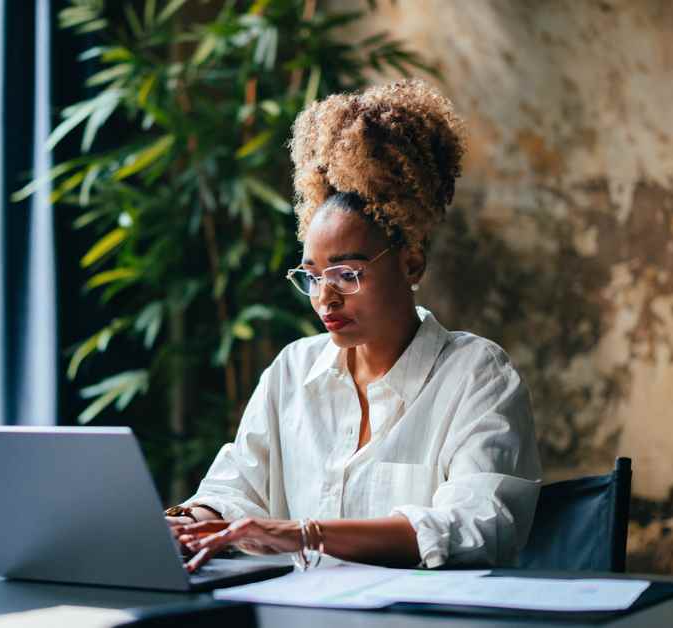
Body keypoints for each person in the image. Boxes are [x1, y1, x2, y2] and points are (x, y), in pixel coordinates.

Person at [168, 79, 541, 572]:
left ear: (411, 264)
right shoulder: (292, 371)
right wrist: (190, 520)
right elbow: (236, 486)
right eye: (313, 276)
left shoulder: (476, 376)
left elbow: (479, 522)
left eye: (348, 274)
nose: (325, 297)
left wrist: (305, 534)